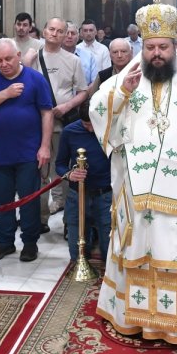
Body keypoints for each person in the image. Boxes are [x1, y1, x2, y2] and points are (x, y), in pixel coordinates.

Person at [90, 1, 177, 343]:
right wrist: (122, 95)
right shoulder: (128, 78)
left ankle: (174, 323)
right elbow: (98, 108)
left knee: (173, 246)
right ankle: (131, 317)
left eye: (163, 47)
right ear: (143, 46)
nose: (156, 54)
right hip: (134, 188)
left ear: (173, 48)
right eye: (150, 47)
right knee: (135, 244)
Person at [0, 37, 53, 263]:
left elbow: (47, 113)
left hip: (29, 152)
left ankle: (30, 243)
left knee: (28, 200)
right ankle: (5, 242)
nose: (4, 63)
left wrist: (45, 146)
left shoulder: (35, 79)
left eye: (8, 58)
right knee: (2, 200)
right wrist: (5, 94)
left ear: (18, 56)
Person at [27, 17, 89, 225]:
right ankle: (40, 218)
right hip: (34, 123)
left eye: (60, 31)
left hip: (62, 122)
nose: (54, 33)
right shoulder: (32, 57)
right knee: (38, 171)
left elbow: (83, 92)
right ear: (44, 31)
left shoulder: (73, 60)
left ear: (66, 35)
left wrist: (66, 106)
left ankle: (67, 219)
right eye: (51, 29)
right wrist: (24, 61)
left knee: (61, 169)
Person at [55, 101, 111, 264]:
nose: (90, 129)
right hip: (77, 195)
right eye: (86, 125)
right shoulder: (70, 132)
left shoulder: (111, 130)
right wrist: (69, 174)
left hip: (105, 194)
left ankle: (108, 277)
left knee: (108, 241)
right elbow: (59, 164)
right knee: (76, 245)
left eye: (93, 124)